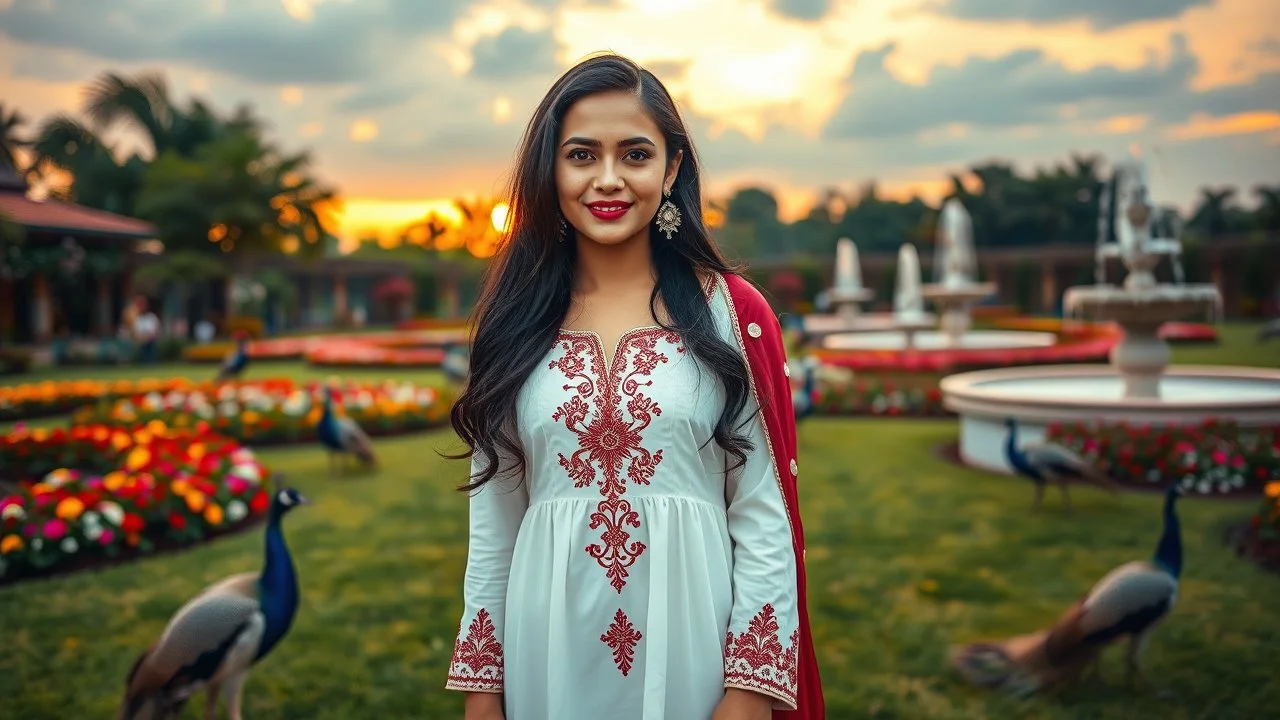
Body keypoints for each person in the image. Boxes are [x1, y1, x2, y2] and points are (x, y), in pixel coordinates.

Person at [444, 54, 824, 720]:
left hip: (695, 646)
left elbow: (762, 514)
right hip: (548, 647)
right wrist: (483, 688)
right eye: (582, 155)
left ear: (672, 168)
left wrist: (749, 689)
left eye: (636, 154)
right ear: (550, 169)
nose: (609, 179)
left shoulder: (732, 313)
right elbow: (495, 524)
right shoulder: (512, 324)